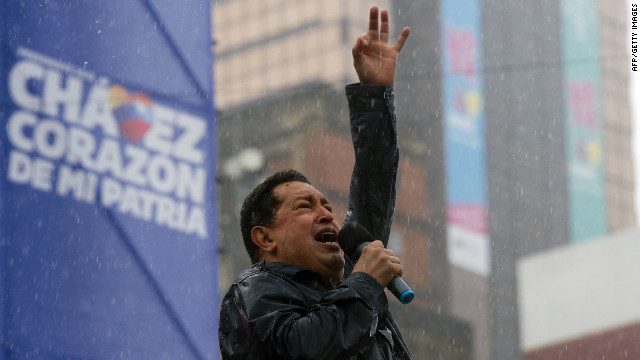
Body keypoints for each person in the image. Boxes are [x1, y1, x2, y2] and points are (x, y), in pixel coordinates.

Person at [218, 6, 412, 360]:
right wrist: (366, 283)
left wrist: (375, 96)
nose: (327, 215)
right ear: (265, 238)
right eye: (305, 206)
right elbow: (303, 349)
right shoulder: (255, 292)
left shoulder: (350, 286)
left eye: (327, 205)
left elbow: (374, 183)